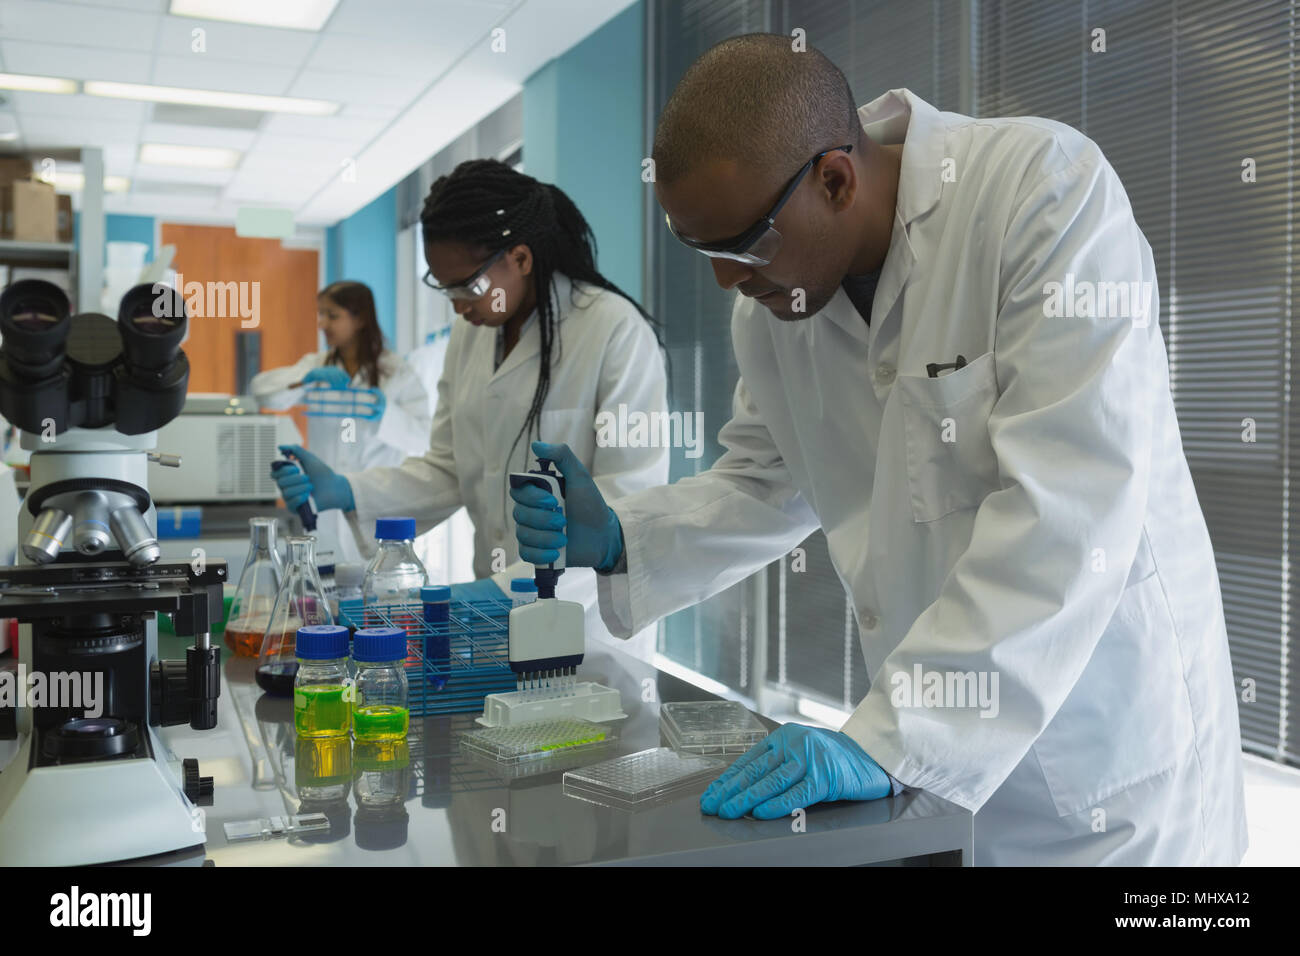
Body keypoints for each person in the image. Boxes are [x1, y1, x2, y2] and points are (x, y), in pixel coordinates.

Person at [510, 35, 1248, 865]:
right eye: (705, 252)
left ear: (835, 179)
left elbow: (1069, 506)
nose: (726, 283)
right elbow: (766, 479)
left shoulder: (1042, 193)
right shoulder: (773, 307)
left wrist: (896, 739)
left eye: (742, 247)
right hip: (926, 774)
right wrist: (623, 536)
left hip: (1106, 778)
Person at [272, 159, 669, 650]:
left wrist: (504, 594)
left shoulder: (613, 330)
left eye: (467, 286)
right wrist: (349, 490)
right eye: (445, 287)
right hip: (491, 622)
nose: (457, 306)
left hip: (588, 628)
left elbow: (628, 503)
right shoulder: (471, 335)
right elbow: (449, 468)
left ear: (520, 258)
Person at [252, 280, 431, 564]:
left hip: (377, 502)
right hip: (326, 507)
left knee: (381, 588)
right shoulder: (317, 365)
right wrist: (304, 380)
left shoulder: (396, 371)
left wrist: (385, 415)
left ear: (359, 318)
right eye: (321, 314)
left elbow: (423, 436)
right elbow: (262, 393)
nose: (323, 323)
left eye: (332, 316)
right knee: (328, 586)